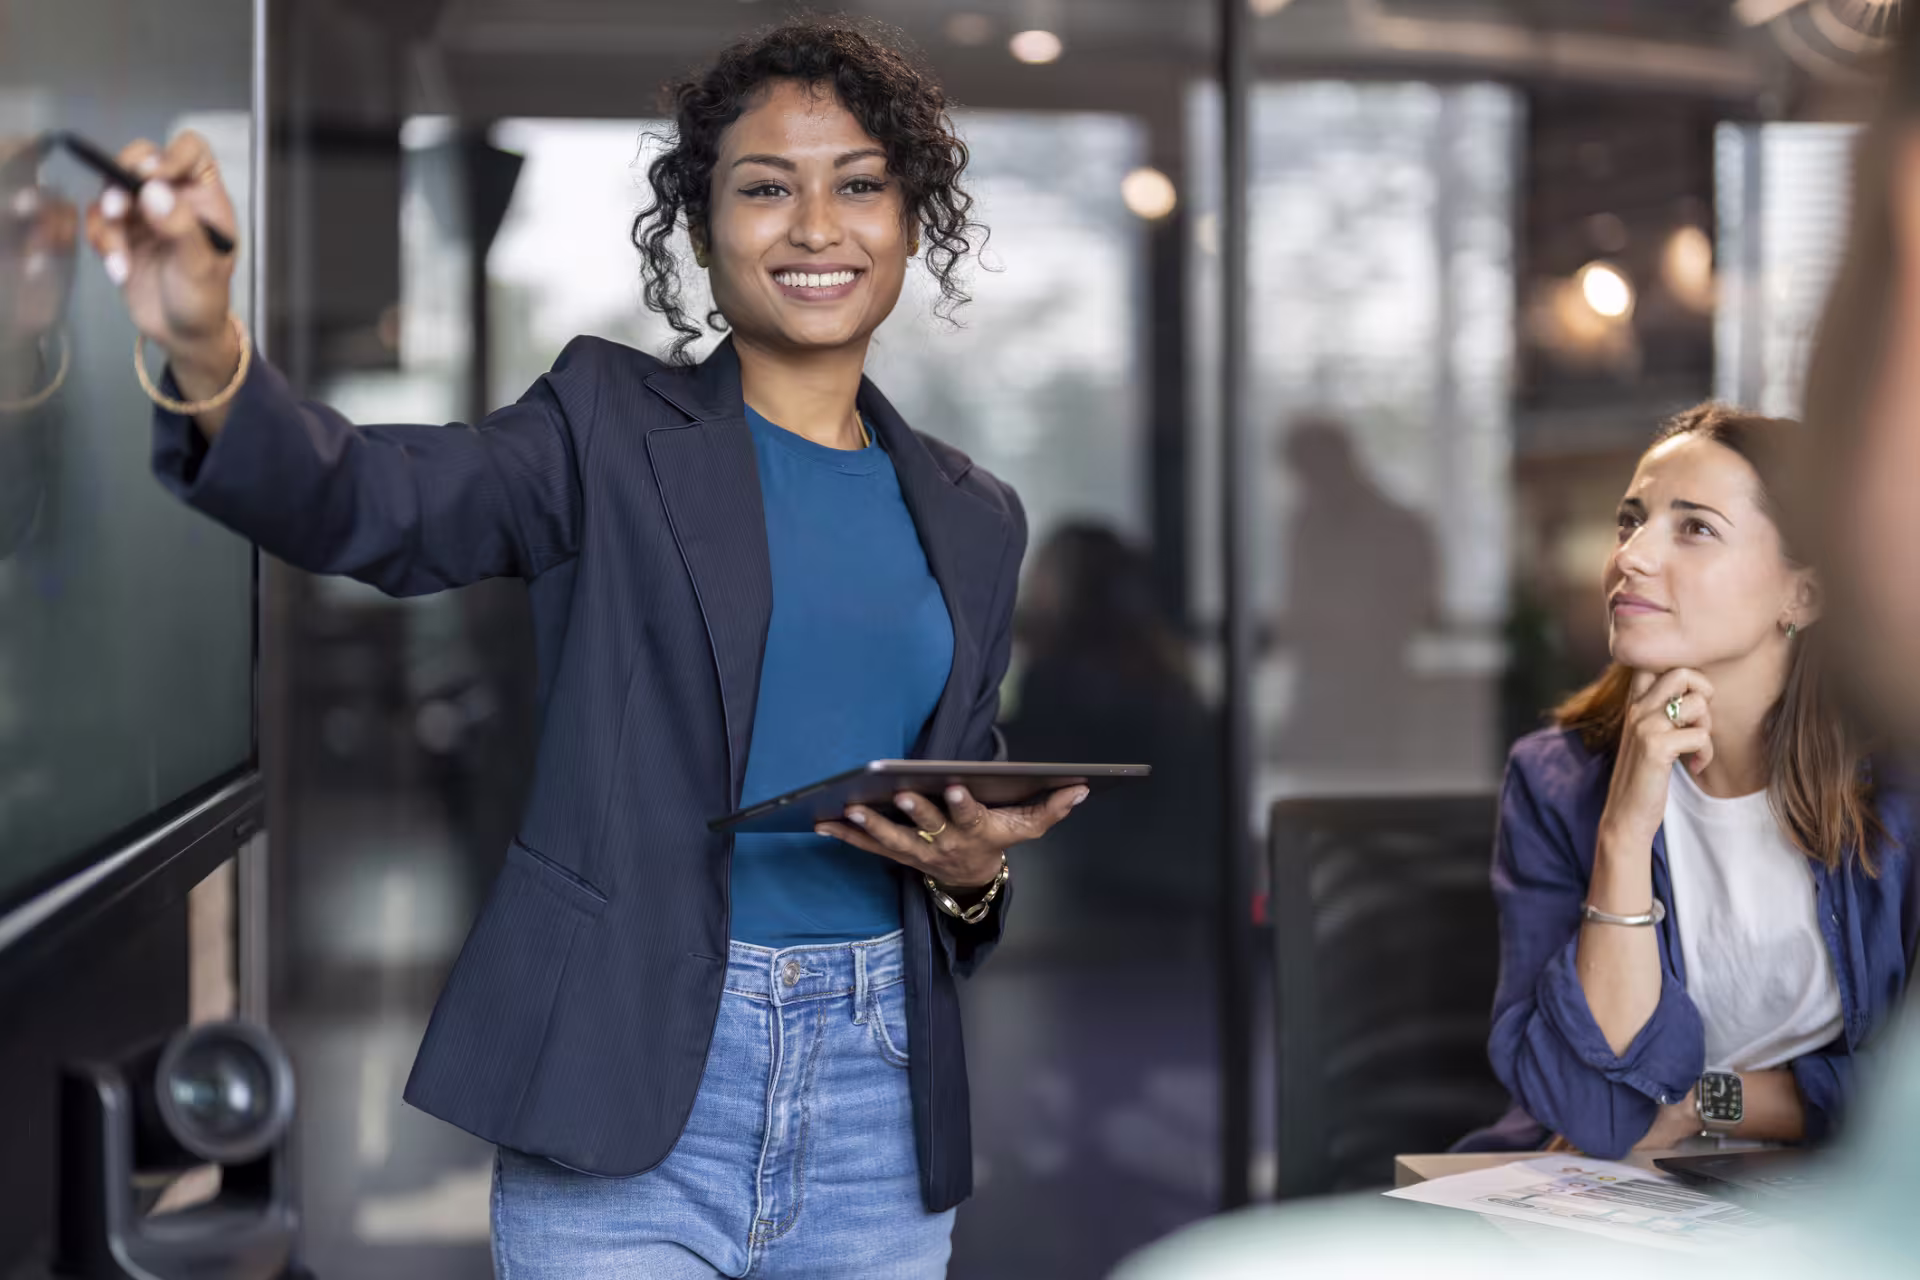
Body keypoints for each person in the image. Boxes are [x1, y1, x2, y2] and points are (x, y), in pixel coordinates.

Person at [84, 19, 1088, 1277]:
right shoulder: (604, 428)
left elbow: (962, 844)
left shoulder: (975, 514)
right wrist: (203, 346)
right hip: (633, 1076)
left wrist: (970, 871)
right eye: (766, 186)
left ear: (912, 219)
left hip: (880, 1101)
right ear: (702, 225)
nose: (816, 225)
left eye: (861, 184)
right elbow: (373, 501)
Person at [1461, 403, 1916, 1159]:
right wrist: (1625, 829)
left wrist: (1707, 1104)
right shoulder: (1557, 780)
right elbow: (1596, 1112)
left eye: (1694, 527)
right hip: (1609, 1194)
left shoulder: (1900, 786)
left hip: (1838, 1197)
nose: (1631, 556)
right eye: (1629, 522)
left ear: (1802, 594)